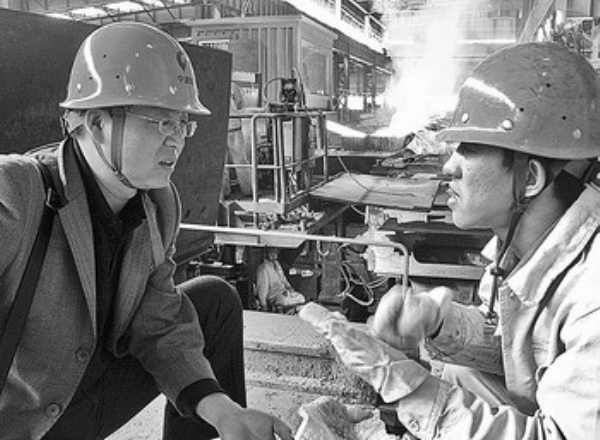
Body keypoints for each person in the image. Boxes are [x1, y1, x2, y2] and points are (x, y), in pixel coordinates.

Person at [0, 22, 292, 440]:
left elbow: (158, 322)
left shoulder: (158, 205)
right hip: (24, 418)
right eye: (160, 122)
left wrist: (223, 410)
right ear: (97, 123)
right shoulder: (17, 194)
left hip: (85, 399)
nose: (177, 142)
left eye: (182, 124)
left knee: (214, 302)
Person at [301, 42, 600, 439]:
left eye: (468, 149)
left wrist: (404, 384)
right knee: (463, 372)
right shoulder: (525, 248)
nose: (448, 166)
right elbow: (521, 347)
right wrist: (440, 322)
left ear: (529, 178)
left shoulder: (593, 298)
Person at [256, 247, 306, 312]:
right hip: (274, 296)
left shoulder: (276, 264)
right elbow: (263, 288)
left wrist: (289, 287)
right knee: (285, 301)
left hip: (284, 292)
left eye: (275, 253)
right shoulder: (263, 268)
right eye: (271, 253)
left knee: (301, 298)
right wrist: (263, 304)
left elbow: (283, 278)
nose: (274, 255)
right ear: (267, 253)